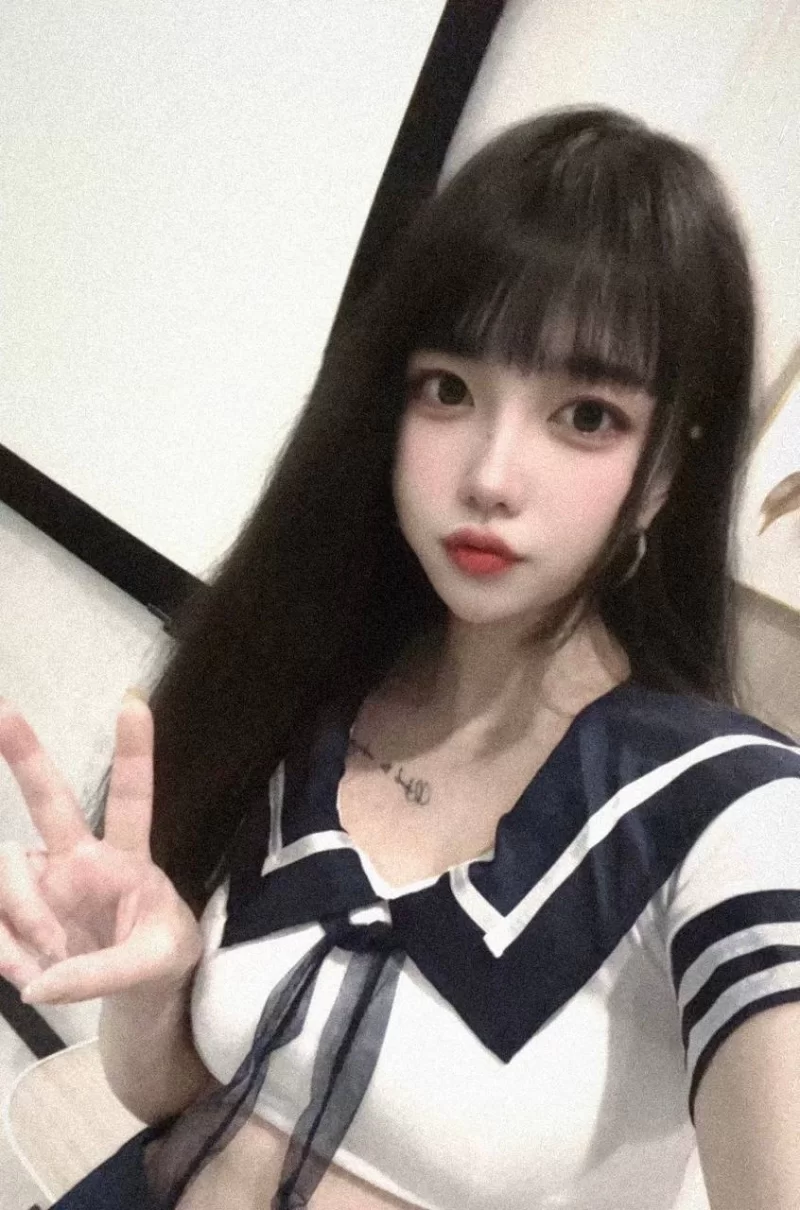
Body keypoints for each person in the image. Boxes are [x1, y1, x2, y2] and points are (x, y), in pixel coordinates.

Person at [1, 106, 799, 1210]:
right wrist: (159, 976)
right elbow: (178, 1101)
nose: (490, 475)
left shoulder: (730, 816)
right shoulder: (312, 686)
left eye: (585, 414)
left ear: (668, 465)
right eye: (449, 390)